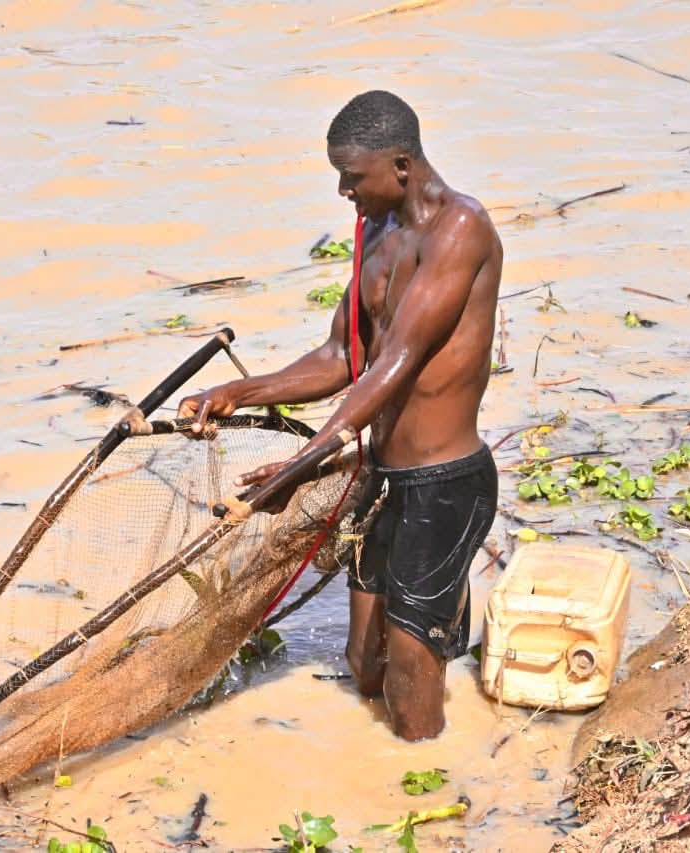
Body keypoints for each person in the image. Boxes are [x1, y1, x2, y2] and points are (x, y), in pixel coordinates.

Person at [179, 90, 503, 741]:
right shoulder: (377, 233)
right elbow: (344, 355)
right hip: (383, 475)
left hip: (443, 484)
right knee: (365, 666)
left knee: (410, 677)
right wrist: (239, 393)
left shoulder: (461, 229)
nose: (342, 193)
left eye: (352, 177)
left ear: (402, 166)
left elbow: (398, 362)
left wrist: (305, 461)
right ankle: (442, 630)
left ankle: (435, 787)